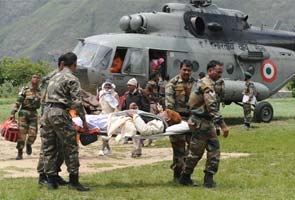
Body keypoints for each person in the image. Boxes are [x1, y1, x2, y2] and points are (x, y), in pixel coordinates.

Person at [41, 52, 89, 191]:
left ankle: (51, 181)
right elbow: (77, 103)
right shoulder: (71, 78)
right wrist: (84, 121)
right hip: (60, 113)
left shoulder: (54, 77)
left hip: (47, 112)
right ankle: (74, 181)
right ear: (74, 65)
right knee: (71, 147)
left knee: (49, 148)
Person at [179, 60, 229, 188]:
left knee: (213, 150)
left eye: (221, 72)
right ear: (210, 71)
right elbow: (211, 106)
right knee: (196, 152)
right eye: (218, 72)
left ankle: (208, 179)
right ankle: (185, 177)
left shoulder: (209, 83)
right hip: (200, 122)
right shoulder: (206, 85)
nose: (220, 75)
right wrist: (223, 125)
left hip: (205, 122)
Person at [37, 54, 68, 186]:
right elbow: (45, 98)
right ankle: (43, 176)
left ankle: (54, 174)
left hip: (59, 115)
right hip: (48, 115)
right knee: (48, 147)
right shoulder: (52, 77)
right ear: (62, 64)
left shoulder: (65, 77)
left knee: (60, 147)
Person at [165, 59, 195, 182]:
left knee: (193, 150)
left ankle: (186, 175)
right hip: (177, 120)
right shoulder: (172, 84)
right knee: (178, 151)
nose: (187, 72)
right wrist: (176, 120)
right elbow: (169, 106)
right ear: (180, 69)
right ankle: (178, 176)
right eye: (184, 69)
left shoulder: (196, 84)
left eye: (189, 70)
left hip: (192, 120)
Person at [10, 74, 41, 160]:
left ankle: (29, 144)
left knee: (33, 134)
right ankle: (20, 152)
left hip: (34, 114)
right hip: (23, 113)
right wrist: (13, 113)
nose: (35, 79)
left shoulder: (39, 91)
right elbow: (18, 102)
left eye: (37, 78)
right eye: (34, 77)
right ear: (31, 79)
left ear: (39, 80)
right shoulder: (25, 90)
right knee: (21, 135)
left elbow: (42, 104)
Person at [97, 80, 120, 155]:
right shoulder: (101, 93)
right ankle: (108, 150)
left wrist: (116, 115)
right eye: (106, 85)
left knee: (106, 133)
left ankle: (102, 149)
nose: (107, 87)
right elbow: (98, 101)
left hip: (111, 116)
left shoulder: (114, 94)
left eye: (109, 85)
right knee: (103, 133)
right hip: (103, 115)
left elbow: (117, 106)